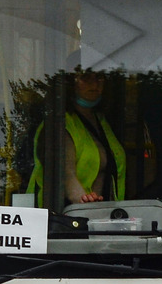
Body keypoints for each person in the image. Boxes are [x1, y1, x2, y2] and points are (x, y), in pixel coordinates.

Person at [26, 72, 126, 206]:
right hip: (63, 218)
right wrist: (85, 204)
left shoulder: (101, 121)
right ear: (70, 83)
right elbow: (66, 175)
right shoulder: (60, 124)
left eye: (99, 77)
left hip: (98, 214)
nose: (94, 84)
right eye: (85, 78)